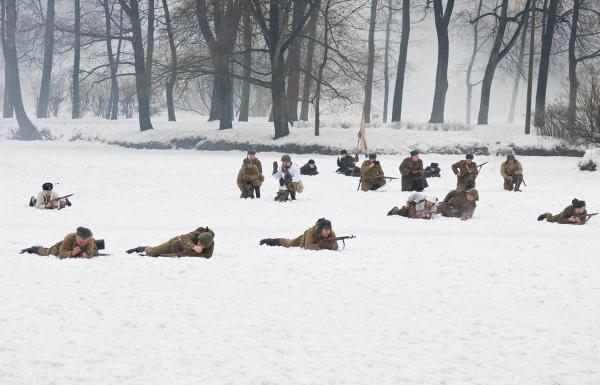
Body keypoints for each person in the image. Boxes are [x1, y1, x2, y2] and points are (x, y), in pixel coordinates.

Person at [126, 226, 215, 258]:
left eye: (203, 246)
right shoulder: (195, 234)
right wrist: (194, 247)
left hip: (181, 251)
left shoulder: (210, 246)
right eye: (199, 243)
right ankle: (139, 249)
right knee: (153, 251)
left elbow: (207, 256)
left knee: (157, 255)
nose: (200, 245)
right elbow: (182, 238)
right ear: (198, 238)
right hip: (175, 243)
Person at [259, 218, 339, 250]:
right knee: (288, 243)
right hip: (303, 240)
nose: (327, 232)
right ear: (320, 229)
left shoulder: (331, 233)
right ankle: (270, 241)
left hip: (315, 243)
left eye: (328, 229)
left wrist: (330, 246)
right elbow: (308, 246)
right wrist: (320, 246)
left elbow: (336, 245)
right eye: (325, 229)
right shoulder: (311, 231)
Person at [20, 226, 98, 258]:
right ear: (77, 236)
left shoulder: (90, 240)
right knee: (46, 252)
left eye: (85, 242)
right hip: (59, 248)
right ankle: (32, 249)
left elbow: (90, 252)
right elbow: (61, 254)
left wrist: (87, 254)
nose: (83, 243)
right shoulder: (69, 237)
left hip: (78, 251)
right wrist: (72, 253)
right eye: (81, 242)